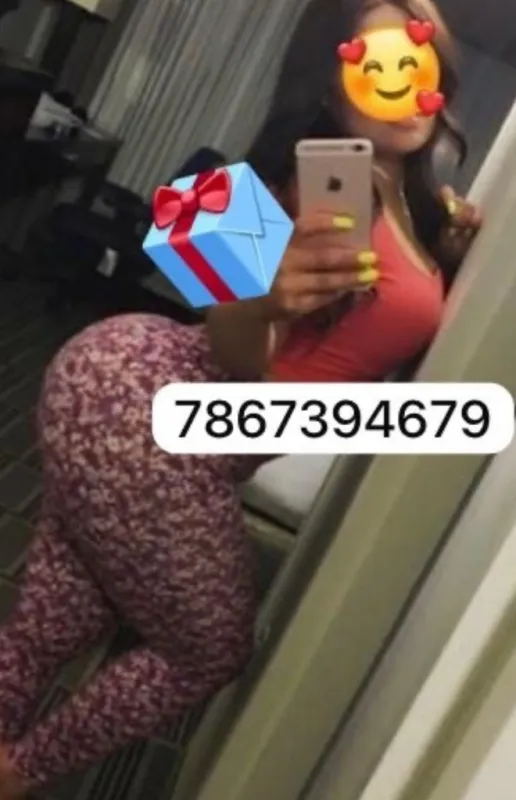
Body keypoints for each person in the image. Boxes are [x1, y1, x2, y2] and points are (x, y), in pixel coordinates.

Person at [0, 0, 482, 796]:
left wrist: (453, 247)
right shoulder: (304, 183)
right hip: (152, 404)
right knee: (211, 649)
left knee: (54, 621)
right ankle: (21, 773)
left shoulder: (412, 202)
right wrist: (257, 300)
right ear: (329, 86)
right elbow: (234, 348)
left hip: (137, 397)